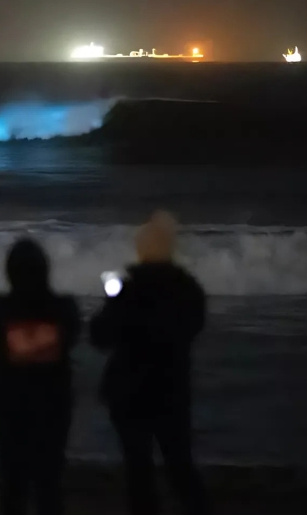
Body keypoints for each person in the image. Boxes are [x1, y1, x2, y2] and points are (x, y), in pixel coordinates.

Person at [90, 211, 209, 515]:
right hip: (172, 389)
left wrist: (111, 300)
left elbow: (101, 336)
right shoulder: (188, 288)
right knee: (180, 467)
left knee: (138, 471)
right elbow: (193, 327)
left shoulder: (127, 286)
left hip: (129, 391)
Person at [0, 238, 81, 515]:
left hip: (9, 408)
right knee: (50, 485)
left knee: (12, 486)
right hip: (53, 408)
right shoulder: (63, 309)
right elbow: (73, 338)